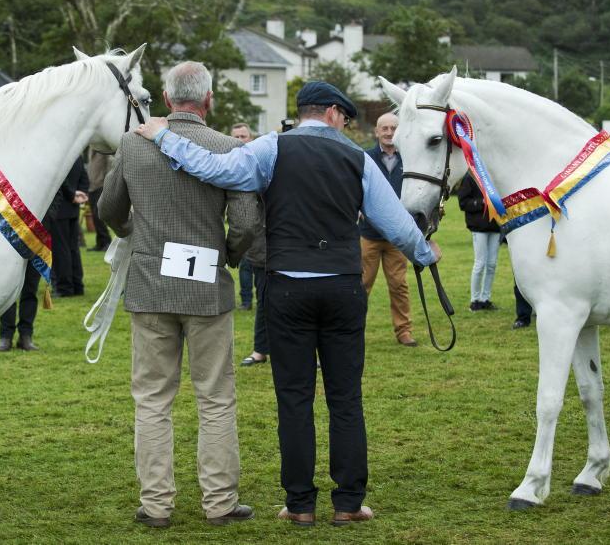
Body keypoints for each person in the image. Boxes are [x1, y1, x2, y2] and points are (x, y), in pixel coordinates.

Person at [134, 81, 440, 527]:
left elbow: (213, 168)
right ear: (335, 113)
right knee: (345, 398)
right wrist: (426, 256)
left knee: (293, 398)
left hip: (287, 285)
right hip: (340, 284)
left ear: (305, 112)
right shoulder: (358, 158)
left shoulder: (269, 148)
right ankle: (349, 501)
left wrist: (162, 135)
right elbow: (395, 222)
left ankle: (299, 504)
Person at [98, 61, 258, 528]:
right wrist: (228, 252)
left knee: (152, 399)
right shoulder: (229, 147)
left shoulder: (132, 144)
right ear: (209, 100)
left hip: (150, 285)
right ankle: (220, 502)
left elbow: (110, 208)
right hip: (207, 288)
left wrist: (135, 233)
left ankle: (156, 504)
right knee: (216, 398)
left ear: (168, 100)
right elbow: (247, 223)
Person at [359, 113, 417, 347]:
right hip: (369, 234)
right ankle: (354, 330)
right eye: (385, 128)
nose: (389, 132)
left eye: (393, 128)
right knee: (361, 285)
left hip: (396, 236)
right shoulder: (365, 158)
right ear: (376, 131)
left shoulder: (409, 159)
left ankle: (404, 331)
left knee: (399, 285)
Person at [457, 173, 500, 311]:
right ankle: (474, 300)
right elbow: (463, 203)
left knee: (492, 264)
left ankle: (485, 298)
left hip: (495, 226)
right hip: (478, 227)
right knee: (480, 263)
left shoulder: (494, 176)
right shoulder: (470, 177)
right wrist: (481, 202)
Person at [49, 158, 89, 297]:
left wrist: (71, 195)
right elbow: (84, 176)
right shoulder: (77, 155)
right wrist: (82, 193)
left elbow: (59, 178)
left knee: (61, 250)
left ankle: (64, 287)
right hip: (73, 206)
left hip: (60, 206)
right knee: (73, 248)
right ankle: (77, 285)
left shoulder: (60, 154)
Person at [239, 202, 270, 366]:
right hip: (263, 252)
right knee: (264, 301)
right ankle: (260, 350)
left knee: (299, 305)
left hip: (294, 250)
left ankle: (305, 352)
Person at [231, 123, 255, 310]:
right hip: (241, 218)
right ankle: (246, 301)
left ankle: (263, 299)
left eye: (243, 136)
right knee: (245, 263)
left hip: (263, 221)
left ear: (250, 138)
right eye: (236, 137)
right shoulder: (226, 159)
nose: (239, 140)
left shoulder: (258, 158)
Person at [0, 262, 42, 351]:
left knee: (30, 291)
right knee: (8, 293)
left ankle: (25, 336)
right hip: (11, 250)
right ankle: (6, 336)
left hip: (35, 250)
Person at [86, 147, 112, 251]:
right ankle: (100, 243)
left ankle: (106, 242)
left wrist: (106, 183)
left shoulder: (103, 149)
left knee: (98, 215)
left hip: (100, 186)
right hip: (92, 187)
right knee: (94, 216)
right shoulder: (92, 149)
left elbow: (110, 164)